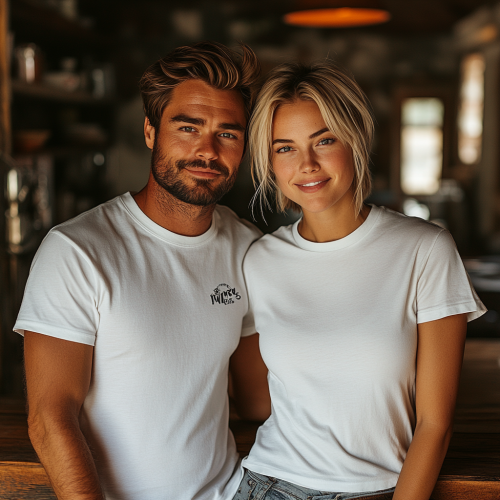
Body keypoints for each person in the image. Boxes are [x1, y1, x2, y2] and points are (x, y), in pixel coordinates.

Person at [16, 41, 270, 500]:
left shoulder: (246, 246)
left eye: (227, 134)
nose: (207, 151)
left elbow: (259, 399)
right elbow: (50, 418)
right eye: (188, 128)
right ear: (151, 132)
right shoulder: (77, 250)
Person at [232, 62, 486, 500]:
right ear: (269, 161)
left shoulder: (424, 250)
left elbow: (435, 424)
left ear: (355, 139)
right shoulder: (258, 261)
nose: (306, 164)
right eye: (285, 148)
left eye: (324, 140)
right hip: (268, 485)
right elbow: (259, 403)